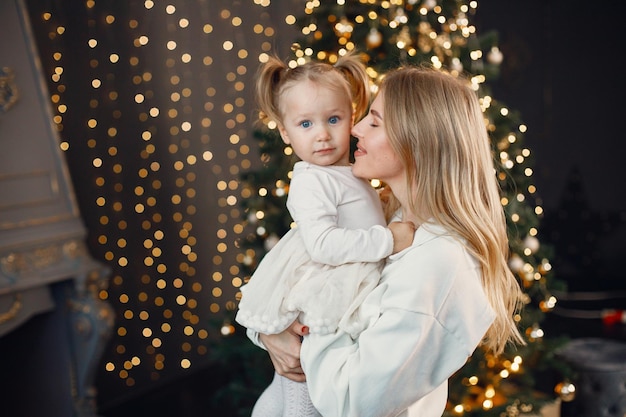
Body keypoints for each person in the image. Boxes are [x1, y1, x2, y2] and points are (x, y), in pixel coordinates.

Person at [250, 65, 527, 417]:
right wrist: (270, 332)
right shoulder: (391, 219)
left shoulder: (439, 262)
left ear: (419, 140)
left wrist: (303, 336)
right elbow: (301, 265)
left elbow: (352, 401)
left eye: (375, 122)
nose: (356, 128)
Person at [235, 53, 416, 417]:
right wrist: (389, 239)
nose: (322, 135)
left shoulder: (350, 171)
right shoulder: (310, 180)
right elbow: (323, 244)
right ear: (285, 132)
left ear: (352, 117)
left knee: (293, 388)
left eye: (333, 119)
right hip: (324, 287)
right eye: (305, 124)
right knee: (304, 388)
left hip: (346, 276)